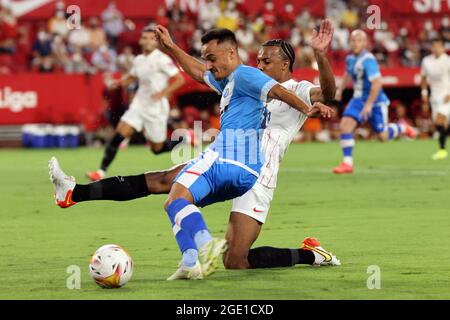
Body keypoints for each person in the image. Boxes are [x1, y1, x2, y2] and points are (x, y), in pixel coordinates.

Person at [49, 22, 338, 279]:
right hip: (225, 158)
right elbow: (201, 72)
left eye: (266, 61)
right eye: (259, 60)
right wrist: (172, 47)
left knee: (236, 260)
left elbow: (326, 94)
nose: (260, 65)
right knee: (165, 182)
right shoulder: (243, 82)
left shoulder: (297, 88)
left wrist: (321, 56)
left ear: (285, 64)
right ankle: (77, 193)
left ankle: (309, 254)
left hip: (258, 177)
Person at [86, 25, 186, 181]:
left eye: (151, 39)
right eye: (144, 38)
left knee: (157, 149)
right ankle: (100, 171)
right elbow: (133, 76)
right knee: (118, 135)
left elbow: (180, 79)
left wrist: (163, 93)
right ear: (140, 40)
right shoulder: (138, 60)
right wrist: (119, 83)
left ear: (156, 42)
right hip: (139, 105)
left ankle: (184, 139)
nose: (147, 41)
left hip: (156, 108)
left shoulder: (162, 59)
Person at [333, 30, 417, 174]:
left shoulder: (368, 60)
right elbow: (348, 74)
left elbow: (377, 84)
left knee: (382, 136)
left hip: (376, 101)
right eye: (353, 40)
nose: (355, 43)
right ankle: (347, 163)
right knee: (345, 126)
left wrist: (369, 105)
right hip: (358, 99)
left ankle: (402, 127)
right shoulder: (350, 59)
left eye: (359, 40)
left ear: (365, 43)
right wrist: (340, 89)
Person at [420, 37, 450, 160]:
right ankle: (442, 150)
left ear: (443, 47)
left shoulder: (448, 61)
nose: (436, 49)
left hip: (447, 96)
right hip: (434, 97)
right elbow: (423, 78)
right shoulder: (426, 61)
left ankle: (442, 150)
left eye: (438, 46)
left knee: (439, 121)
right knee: (439, 125)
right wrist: (424, 95)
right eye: (434, 46)